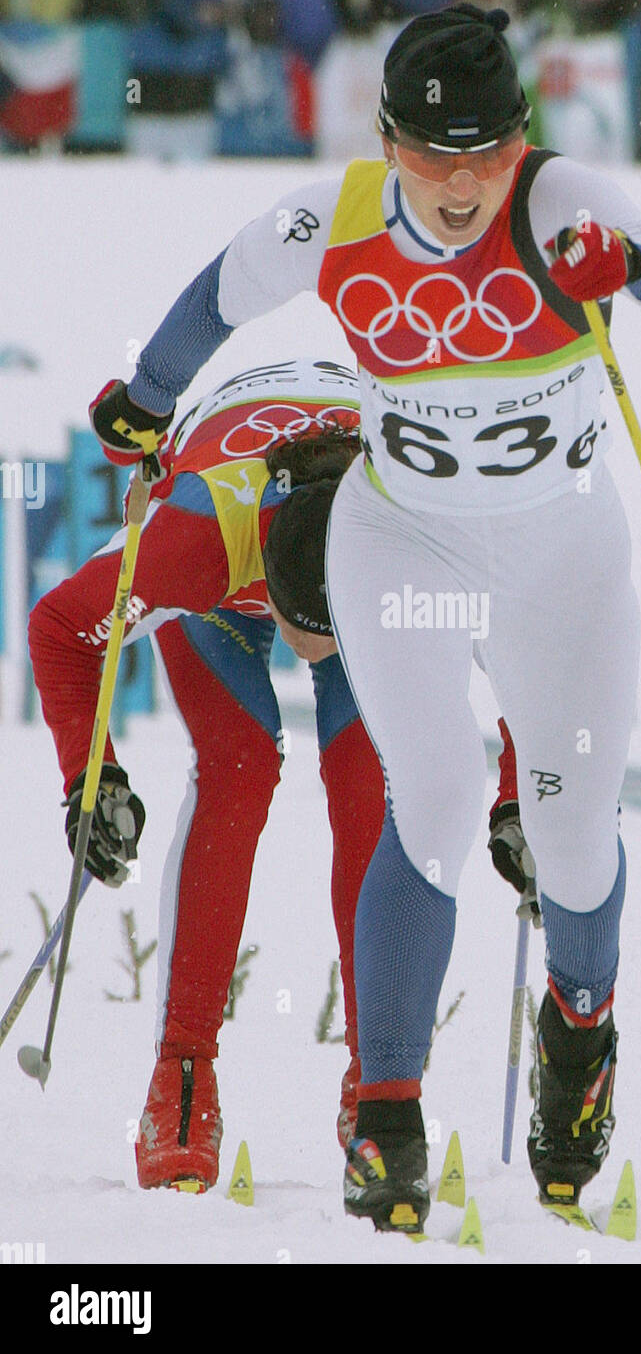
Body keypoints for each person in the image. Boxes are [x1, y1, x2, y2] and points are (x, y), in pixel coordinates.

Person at [86, 5, 641, 1232]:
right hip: (403, 539)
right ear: (386, 141)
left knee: (574, 840)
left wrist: (637, 271)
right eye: (432, 157)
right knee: (432, 795)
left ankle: (578, 1034)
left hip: (563, 562)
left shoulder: (564, 202)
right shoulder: (333, 220)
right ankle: (385, 1113)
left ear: (522, 140)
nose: (457, 185)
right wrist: (144, 399)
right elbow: (215, 297)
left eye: (485, 154)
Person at [28, 357, 384, 1189]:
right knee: (240, 763)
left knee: (365, 773)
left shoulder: (419, 521)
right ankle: (181, 1078)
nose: (319, 656)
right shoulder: (193, 541)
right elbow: (61, 630)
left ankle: (380, 1079)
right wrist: (92, 779)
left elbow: (535, 637)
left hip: (360, 526)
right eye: (309, 631)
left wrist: (520, 795)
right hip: (222, 520)